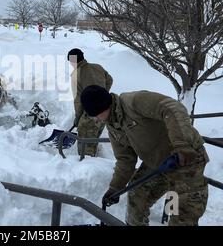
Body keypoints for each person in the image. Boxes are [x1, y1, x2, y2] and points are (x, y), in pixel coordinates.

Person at [80, 85, 209, 226]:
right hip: (158, 163)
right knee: (137, 195)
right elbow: (125, 160)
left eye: (95, 115)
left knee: (181, 213)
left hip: (186, 159)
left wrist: (182, 145)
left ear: (103, 106)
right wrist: (115, 188)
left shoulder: (134, 102)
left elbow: (172, 108)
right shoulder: (112, 125)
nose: (95, 120)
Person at [67, 48, 113, 157]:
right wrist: (103, 95)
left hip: (91, 114)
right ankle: (93, 159)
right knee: (94, 138)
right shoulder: (97, 67)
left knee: (85, 145)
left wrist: (78, 117)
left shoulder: (76, 75)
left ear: (73, 61)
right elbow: (110, 80)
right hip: (105, 111)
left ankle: (85, 166)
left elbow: (78, 100)